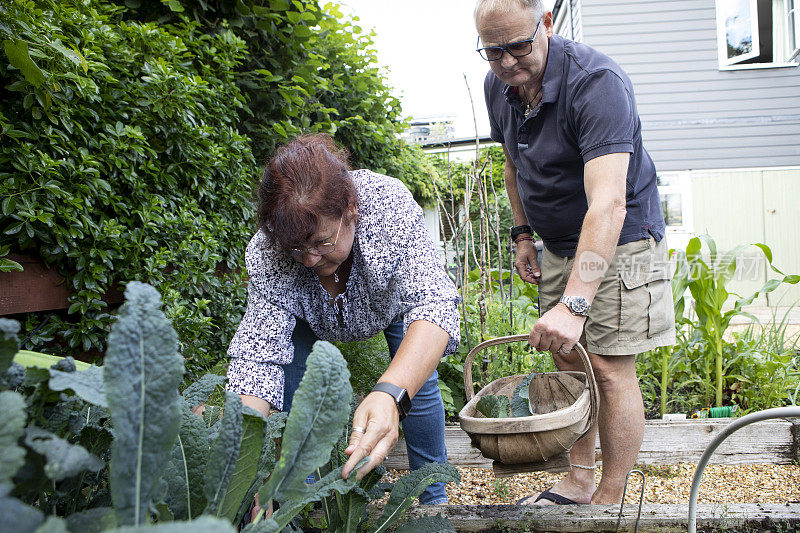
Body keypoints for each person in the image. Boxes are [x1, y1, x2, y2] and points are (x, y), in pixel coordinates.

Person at [475, 0, 676, 505]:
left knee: (607, 368)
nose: (506, 64)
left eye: (517, 47)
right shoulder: (500, 86)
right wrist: (523, 234)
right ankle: (579, 479)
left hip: (621, 237)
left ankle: (610, 497)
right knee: (569, 362)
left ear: (546, 24)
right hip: (560, 241)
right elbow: (512, 163)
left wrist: (576, 302)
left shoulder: (596, 82)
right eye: (492, 51)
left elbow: (608, 206)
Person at [225, 133, 459, 508]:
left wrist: (391, 393)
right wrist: (242, 465)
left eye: (321, 243)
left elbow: (433, 305)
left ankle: (433, 497)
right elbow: (257, 358)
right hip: (305, 318)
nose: (309, 260)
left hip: (386, 302)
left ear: (351, 209)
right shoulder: (269, 250)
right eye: (296, 249)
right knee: (290, 391)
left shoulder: (387, 206)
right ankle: (297, 502)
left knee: (418, 380)